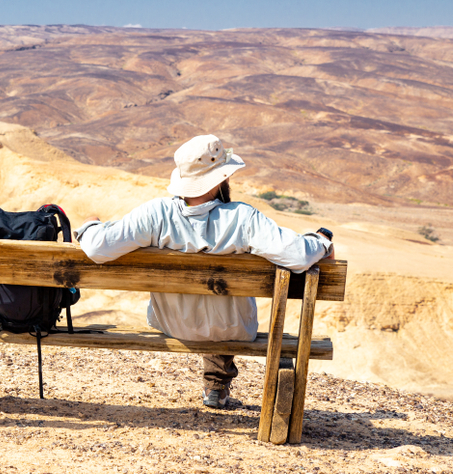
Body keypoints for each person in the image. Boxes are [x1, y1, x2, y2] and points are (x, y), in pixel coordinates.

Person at [74, 134, 334, 409]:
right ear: (221, 179)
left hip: (173, 324)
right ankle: (217, 384)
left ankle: (215, 385)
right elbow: (297, 255)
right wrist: (321, 239)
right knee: (222, 314)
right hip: (233, 330)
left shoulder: (155, 214)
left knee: (208, 311)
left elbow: (97, 249)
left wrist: (91, 225)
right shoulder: (243, 218)